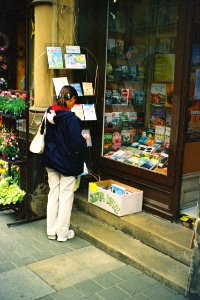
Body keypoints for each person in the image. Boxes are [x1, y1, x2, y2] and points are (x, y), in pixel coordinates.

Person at [41, 85, 87, 242]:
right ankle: (62, 233)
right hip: (67, 162)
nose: (74, 103)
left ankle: (51, 231)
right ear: (72, 99)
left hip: (51, 159)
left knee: (53, 193)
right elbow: (76, 143)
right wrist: (84, 141)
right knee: (66, 196)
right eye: (74, 100)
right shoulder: (71, 119)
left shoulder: (49, 112)